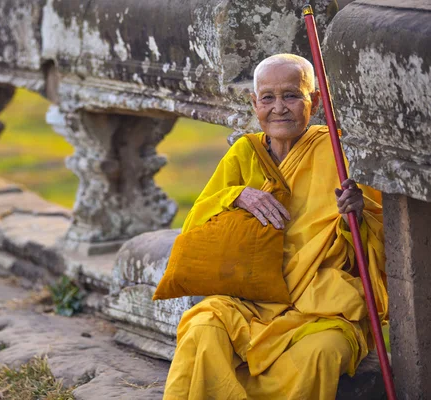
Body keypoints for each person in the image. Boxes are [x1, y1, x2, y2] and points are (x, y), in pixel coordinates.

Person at [163, 54, 388, 399]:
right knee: (201, 327)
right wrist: (236, 197)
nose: (279, 108)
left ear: (313, 102)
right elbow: (195, 231)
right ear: (255, 105)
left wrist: (356, 215)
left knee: (321, 352)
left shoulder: (337, 152)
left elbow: (383, 236)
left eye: (292, 96)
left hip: (319, 305)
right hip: (248, 302)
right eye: (268, 97)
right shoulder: (244, 153)